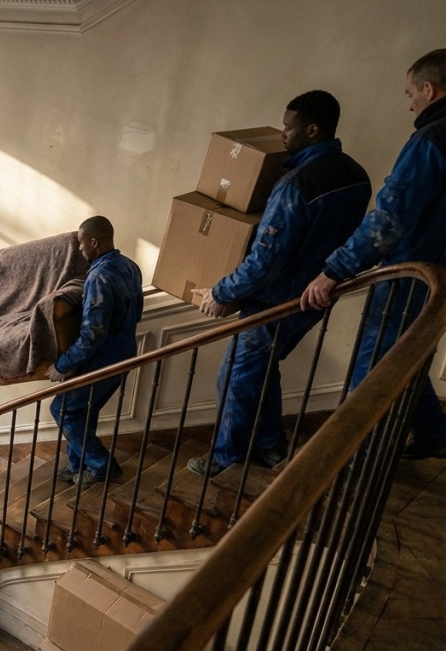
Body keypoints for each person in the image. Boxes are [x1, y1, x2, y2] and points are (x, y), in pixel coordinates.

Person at [186, 90, 372, 477]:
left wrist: (222, 293)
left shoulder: (295, 185)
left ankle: (225, 458)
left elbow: (266, 260)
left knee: (236, 376)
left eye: (289, 127)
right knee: (263, 368)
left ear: (313, 129)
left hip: (274, 301)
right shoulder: (356, 174)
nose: (282, 134)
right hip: (314, 297)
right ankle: (270, 444)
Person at [301, 49, 446, 461]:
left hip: (412, 272)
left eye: (410, 93)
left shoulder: (430, 140)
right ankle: (435, 433)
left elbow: (389, 219)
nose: (410, 103)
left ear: (429, 89)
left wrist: (333, 271)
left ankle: (353, 461)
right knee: (413, 354)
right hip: (439, 278)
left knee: (375, 370)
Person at [47, 215, 143, 486]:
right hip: (125, 353)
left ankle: (101, 466)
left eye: (80, 244)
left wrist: (63, 365)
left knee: (63, 409)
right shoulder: (130, 266)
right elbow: (136, 314)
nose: (79, 249)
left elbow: (92, 334)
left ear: (94, 242)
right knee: (83, 411)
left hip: (104, 361)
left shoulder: (99, 277)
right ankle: (80, 467)